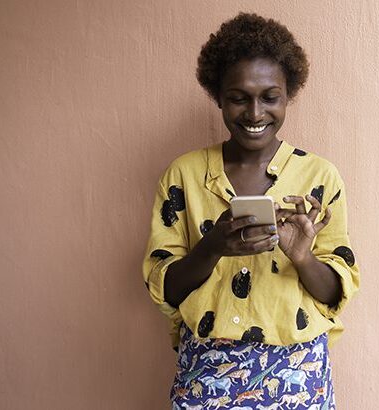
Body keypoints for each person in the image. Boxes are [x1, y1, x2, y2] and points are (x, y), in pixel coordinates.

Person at [142, 12, 359, 409]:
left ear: (288, 94)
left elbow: (334, 293)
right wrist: (212, 247)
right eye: (239, 97)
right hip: (206, 372)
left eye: (269, 97)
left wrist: (302, 256)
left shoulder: (320, 177)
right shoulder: (183, 176)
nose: (255, 113)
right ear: (218, 97)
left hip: (298, 372)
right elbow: (165, 289)